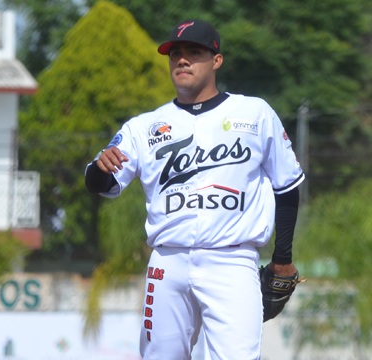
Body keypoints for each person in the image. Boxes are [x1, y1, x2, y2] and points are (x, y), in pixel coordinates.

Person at [84, 19, 303, 359]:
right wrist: (100, 168)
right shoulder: (145, 127)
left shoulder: (254, 113)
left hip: (232, 259)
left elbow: (287, 187)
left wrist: (283, 260)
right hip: (168, 260)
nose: (182, 60)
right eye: (176, 53)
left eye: (194, 52)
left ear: (216, 60)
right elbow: (101, 184)